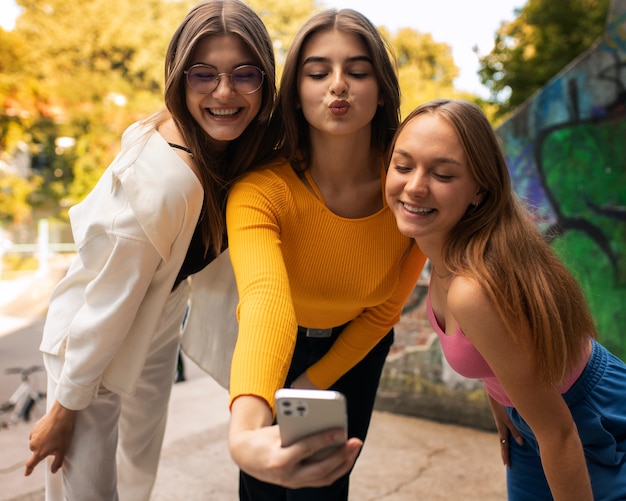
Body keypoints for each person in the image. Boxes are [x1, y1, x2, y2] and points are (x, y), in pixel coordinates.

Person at [23, 1, 276, 499]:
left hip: (156, 323)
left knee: (139, 468)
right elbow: (105, 305)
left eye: (245, 74)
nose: (224, 92)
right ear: (179, 79)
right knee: (85, 487)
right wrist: (63, 411)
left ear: (266, 81)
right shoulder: (162, 184)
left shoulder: (235, 148)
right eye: (203, 75)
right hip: (91, 343)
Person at [226, 8, 427, 500]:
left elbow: (385, 309)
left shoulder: (411, 188)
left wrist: (314, 382)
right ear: (295, 90)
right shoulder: (259, 190)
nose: (338, 85)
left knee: (322, 487)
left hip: (358, 349)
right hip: (278, 344)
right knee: (265, 483)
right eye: (318, 72)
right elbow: (264, 302)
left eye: (358, 72)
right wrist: (245, 437)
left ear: (381, 91)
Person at [385, 98, 626, 500]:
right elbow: (498, 350)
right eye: (403, 165)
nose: (414, 186)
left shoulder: (472, 288)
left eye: (442, 174)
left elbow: (560, 432)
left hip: (587, 415)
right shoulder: (439, 251)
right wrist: (502, 403)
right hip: (533, 416)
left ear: (479, 190)